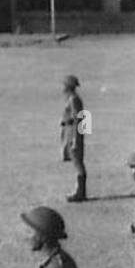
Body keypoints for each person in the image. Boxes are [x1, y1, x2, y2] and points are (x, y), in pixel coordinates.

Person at [60, 75, 87, 203]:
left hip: (73, 132)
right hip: (70, 131)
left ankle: (80, 192)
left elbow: (79, 119)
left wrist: (77, 139)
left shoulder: (73, 99)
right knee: (75, 161)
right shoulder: (72, 99)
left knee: (77, 162)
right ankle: (80, 191)